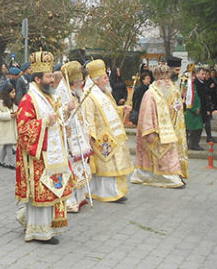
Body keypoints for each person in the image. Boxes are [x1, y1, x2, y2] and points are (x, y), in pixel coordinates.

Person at [15, 51, 71, 244]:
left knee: (53, 190)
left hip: (53, 154)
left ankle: (47, 226)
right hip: (38, 156)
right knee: (41, 193)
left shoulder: (49, 97)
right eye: (48, 77)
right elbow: (23, 129)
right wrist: (45, 122)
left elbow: (58, 120)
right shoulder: (29, 100)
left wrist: (66, 112)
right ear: (37, 79)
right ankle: (39, 231)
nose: (52, 80)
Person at [83, 59, 133, 202]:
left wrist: (123, 109)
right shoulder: (89, 96)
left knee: (115, 165)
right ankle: (107, 193)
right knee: (106, 166)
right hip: (101, 138)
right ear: (96, 80)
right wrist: (91, 138)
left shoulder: (105, 92)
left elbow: (112, 110)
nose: (107, 80)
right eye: (104, 77)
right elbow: (88, 118)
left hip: (112, 135)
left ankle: (117, 191)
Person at [132, 64, 188, 188]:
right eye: (164, 79)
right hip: (154, 132)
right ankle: (165, 178)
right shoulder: (150, 94)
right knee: (156, 156)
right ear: (158, 80)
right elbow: (147, 114)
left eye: (167, 79)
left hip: (165, 131)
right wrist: (150, 131)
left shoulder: (161, 93)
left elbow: (164, 110)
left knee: (168, 153)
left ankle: (172, 177)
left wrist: (174, 108)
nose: (167, 82)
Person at [55, 61, 92, 212]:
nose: (81, 84)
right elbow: (57, 113)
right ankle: (70, 200)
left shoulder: (76, 93)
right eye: (79, 82)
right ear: (72, 82)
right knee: (70, 169)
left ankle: (80, 197)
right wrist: (66, 109)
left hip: (79, 137)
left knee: (80, 167)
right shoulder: (60, 93)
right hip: (68, 139)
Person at [0, 82, 19, 169]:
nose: (14, 94)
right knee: (9, 144)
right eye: (12, 92)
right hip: (4, 127)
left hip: (11, 127)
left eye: (14, 92)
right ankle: (11, 163)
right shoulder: (1, 103)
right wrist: (9, 115)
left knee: (7, 144)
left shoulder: (13, 103)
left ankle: (1, 160)